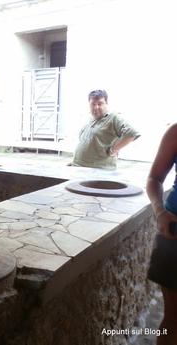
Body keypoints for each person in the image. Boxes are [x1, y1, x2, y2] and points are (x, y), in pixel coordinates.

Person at [147, 124, 177, 345]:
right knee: (174, 320)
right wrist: (160, 212)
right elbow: (154, 178)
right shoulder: (176, 132)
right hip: (175, 235)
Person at [71, 89, 140, 169]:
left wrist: (113, 150)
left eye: (100, 103)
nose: (96, 107)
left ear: (106, 103)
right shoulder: (90, 119)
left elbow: (131, 133)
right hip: (79, 167)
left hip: (98, 171)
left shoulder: (113, 118)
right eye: (93, 104)